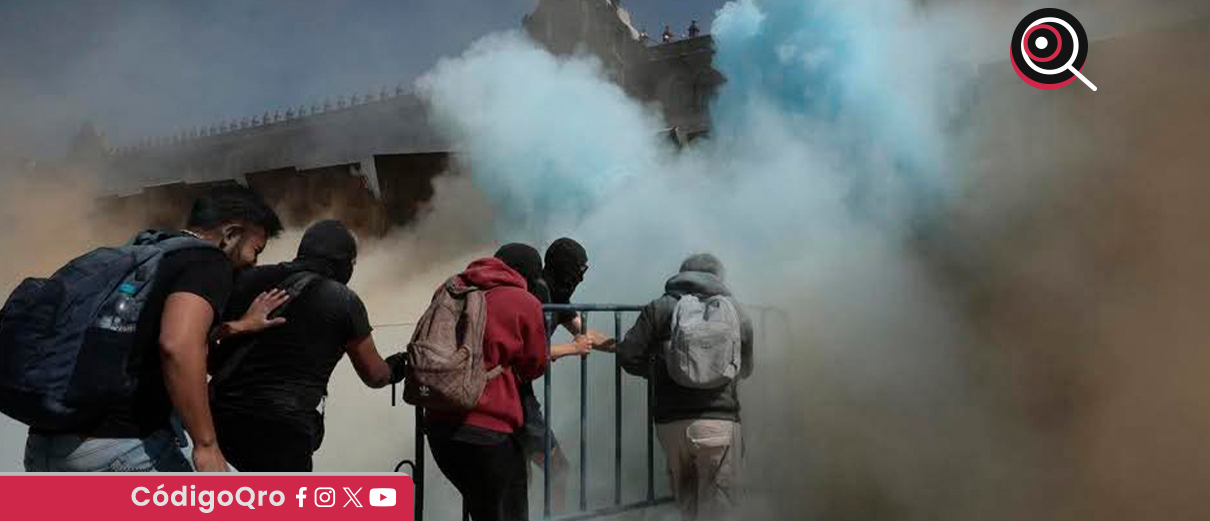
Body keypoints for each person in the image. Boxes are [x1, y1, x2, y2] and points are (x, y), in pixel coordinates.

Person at [24, 186, 283, 472]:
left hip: (44, 448)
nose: (254, 262)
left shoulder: (145, 252)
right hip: (118, 451)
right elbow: (177, 345)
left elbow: (147, 334)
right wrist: (206, 446)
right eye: (255, 250)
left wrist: (242, 325)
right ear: (231, 234)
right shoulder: (209, 261)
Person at [209, 220, 407, 471]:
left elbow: (201, 341)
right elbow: (375, 375)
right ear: (343, 261)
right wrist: (395, 369)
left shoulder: (247, 278)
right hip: (283, 433)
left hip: (220, 420)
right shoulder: (344, 301)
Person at [613, 254, 754, 521]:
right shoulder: (736, 310)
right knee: (722, 510)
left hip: (671, 423)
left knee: (687, 507)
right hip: (720, 422)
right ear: (718, 278)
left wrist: (663, 372)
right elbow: (745, 368)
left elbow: (628, 355)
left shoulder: (659, 307)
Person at [426, 244, 549, 521]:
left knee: (481, 507)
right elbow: (535, 365)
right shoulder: (524, 302)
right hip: (490, 433)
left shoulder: (450, 288)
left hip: (439, 429)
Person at [521, 238, 604, 512]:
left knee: (521, 476)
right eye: (578, 271)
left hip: (518, 396)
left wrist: (624, 346)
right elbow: (527, 352)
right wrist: (572, 348)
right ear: (567, 270)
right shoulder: (539, 296)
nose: (580, 278)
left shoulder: (556, 296)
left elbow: (584, 332)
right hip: (517, 398)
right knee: (557, 468)